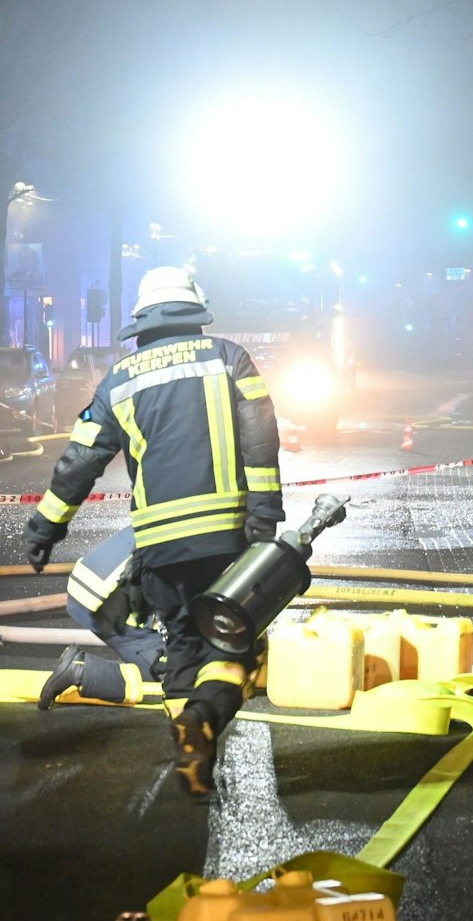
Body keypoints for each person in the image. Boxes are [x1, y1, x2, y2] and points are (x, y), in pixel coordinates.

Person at [22, 266, 284, 798]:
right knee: (241, 650)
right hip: (230, 541)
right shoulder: (228, 358)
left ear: (143, 319)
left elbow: (81, 460)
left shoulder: (120, 379)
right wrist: (264, 512)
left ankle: (191, 746)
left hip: (161, 546)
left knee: (185, 650)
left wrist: (44, 527)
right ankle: (203, 720)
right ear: (195, 310)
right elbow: (262, 436)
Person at [37, 526, 168, 709]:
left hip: (90, 582)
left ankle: (82, 667)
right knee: (180, 682)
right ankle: (81, 671)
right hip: (109, 600)